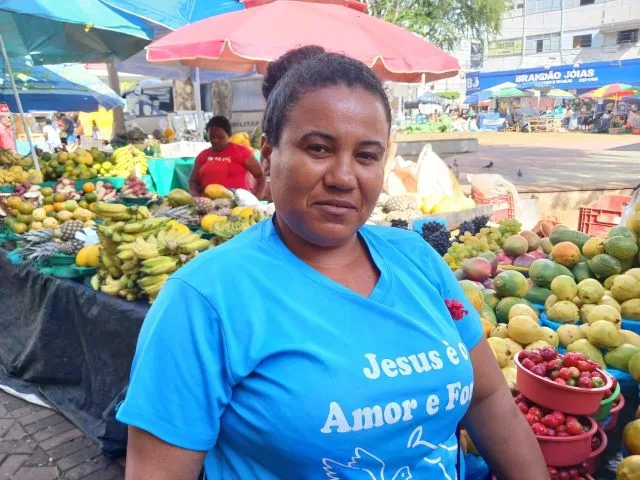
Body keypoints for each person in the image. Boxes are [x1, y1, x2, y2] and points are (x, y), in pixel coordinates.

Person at [118, 47, 547, 480]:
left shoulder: (416, 259)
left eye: (366, 156)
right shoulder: (204, 299)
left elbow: (488, 398)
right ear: (268, 157)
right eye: (319, 148)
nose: (344, 177)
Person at [188, 116, 266, 197]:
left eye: (220, 137)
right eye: (212, 137)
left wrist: (257, 198)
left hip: (238, 203)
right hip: (208, 204)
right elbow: (192, 182)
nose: (215, 140)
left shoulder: (242, 152)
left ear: (229, 135)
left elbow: (260, 176)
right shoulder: (203, 155)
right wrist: (197, 197)